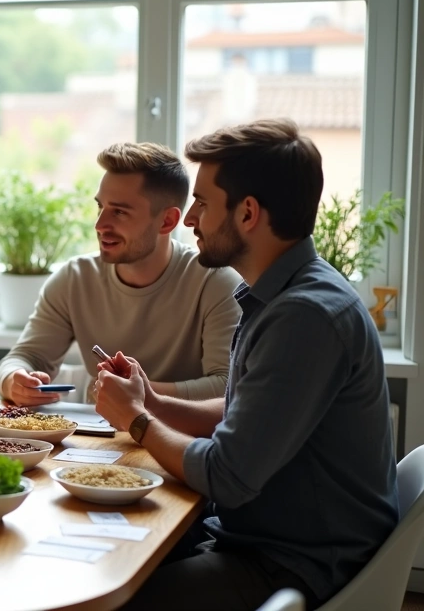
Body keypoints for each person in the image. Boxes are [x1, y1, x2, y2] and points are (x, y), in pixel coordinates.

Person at [95, 119, 399, 610]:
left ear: (248, 213)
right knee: (112, 554)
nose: (189, 219)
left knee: (112, 596)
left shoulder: (304, 316)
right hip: (264, 541)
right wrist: (151, 401)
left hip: (296, 565)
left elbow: (226, 477)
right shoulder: (286, 293)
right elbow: (245, 414)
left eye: (202, 203)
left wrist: (137, 420)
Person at [0, 142, 242, 406]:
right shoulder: (73, 279)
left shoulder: (216, 282)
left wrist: (138, 394)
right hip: (96, 431)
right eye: (100, 207)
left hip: (180, 431)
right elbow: (25, 357)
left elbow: (226, 387)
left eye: (120, 212)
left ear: (167, 221)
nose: (100, 225)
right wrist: (14, 381)